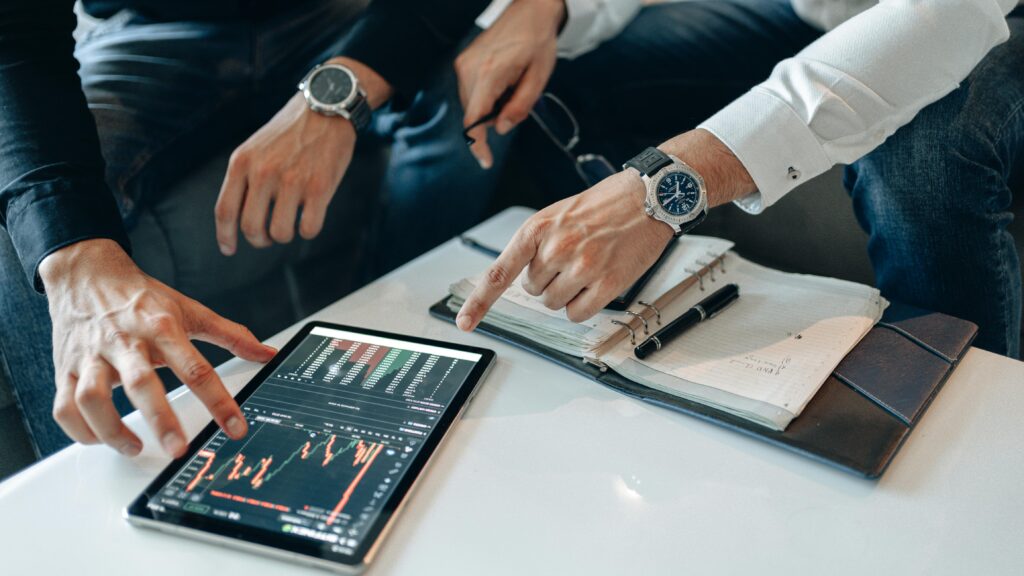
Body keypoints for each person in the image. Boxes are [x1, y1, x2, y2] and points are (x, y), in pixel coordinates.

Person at [0, 0, 514, 460]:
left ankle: (411, 351)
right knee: (24, 239)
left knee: (477, 92)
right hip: (155, 32)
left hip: (342, 18)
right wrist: (74, 259)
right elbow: (15, 37)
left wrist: (336, 93)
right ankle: (85, 507)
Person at [454, 0, 1024, 360]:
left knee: (921, 154)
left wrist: (659, 189)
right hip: (816, 8)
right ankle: (609, 289)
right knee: (572, 67)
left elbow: (946, 15)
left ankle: (954, 412)